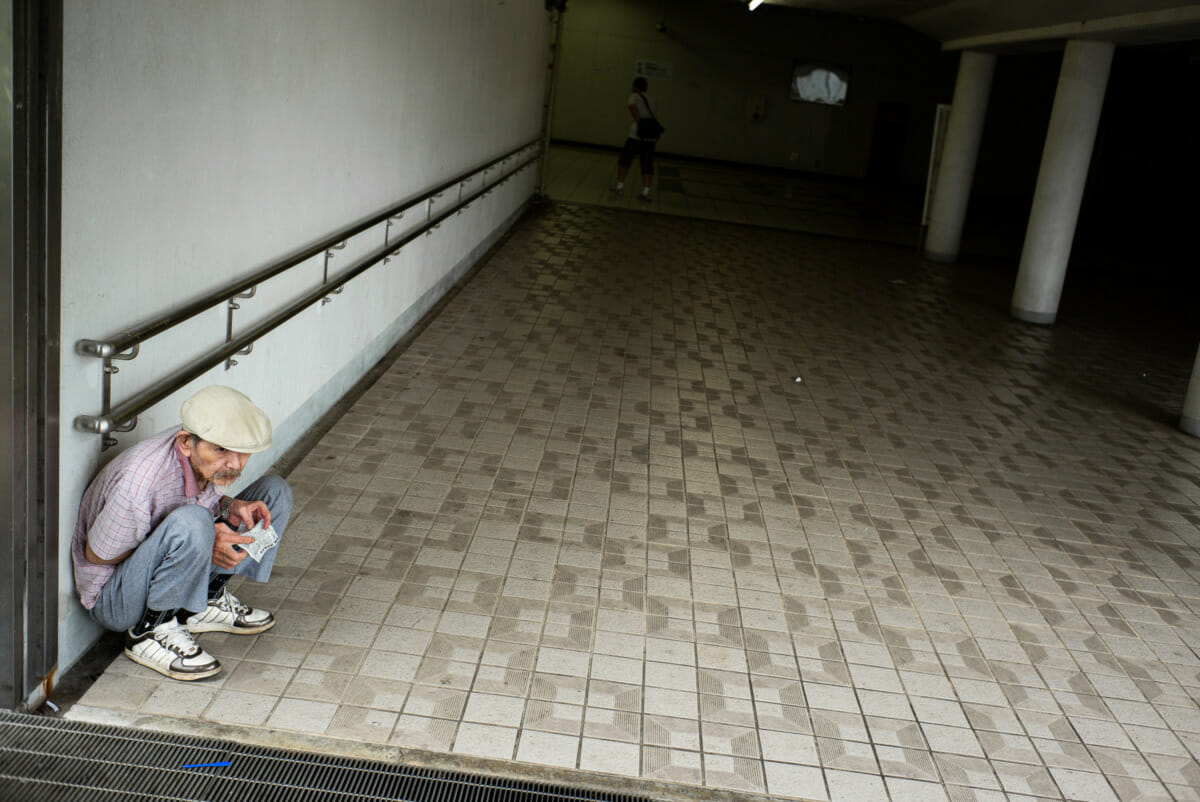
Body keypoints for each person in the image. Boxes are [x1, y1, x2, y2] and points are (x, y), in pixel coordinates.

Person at [71, 384, 293, 681]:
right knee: (194, 523)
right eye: (223, 450)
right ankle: (149, 631)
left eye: (244, 453)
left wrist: (230, 509)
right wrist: (203, 540)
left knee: (274, 492)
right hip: (115, 598)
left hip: (165, 558)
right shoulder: (141, 481)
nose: (236, 464)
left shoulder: (198, 452)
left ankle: (204, 600)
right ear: (186, 441)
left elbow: (199, 506)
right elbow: (98, 555)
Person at [614, 76, 660, 201]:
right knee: (647, 163)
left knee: (625, 160)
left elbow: (633, 108)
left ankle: (620, 187)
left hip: (636, 135)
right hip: (650, 138)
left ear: (635, 87)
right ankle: (646, 192)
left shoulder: (634, 96)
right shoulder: (652, 99)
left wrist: (639, 123)